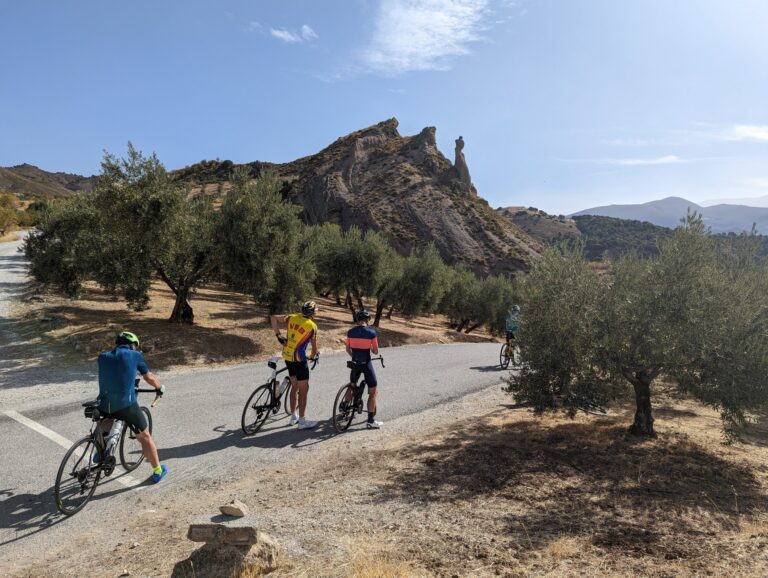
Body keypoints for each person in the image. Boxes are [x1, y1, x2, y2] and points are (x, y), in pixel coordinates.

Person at [97, 331, 167, 483]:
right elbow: (148, 377)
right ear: (132, 345)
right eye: (136, 346)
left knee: (104, 422)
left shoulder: (102, 356)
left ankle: (99, 451)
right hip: (125, 405)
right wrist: (159, 387)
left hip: (103, 403)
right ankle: (158, 470)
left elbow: (116, 374)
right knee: (145, 437)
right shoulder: (134, 355)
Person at [271, 301, 319, 430]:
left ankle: (293, 416)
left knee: (294, 386)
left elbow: (273, 317)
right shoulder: (312, 326)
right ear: (313, 313)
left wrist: (278, 336)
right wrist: (313, 356)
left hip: (287, 356)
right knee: (304, 390)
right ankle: (302, 421)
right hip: (299, 360)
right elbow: (314, 349)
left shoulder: (292, 317)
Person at [345, 309, 382, 429]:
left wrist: (355, 357)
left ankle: (345, 408)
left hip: (355, 363)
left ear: (357, 320)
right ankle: (371, 421)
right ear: (367, 320)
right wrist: (370, 348)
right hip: (366, 364)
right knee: (373, 391)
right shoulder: (371, 332)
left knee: (352, 385)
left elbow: (347, 349)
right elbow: (376, 351)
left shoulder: (350, 332)